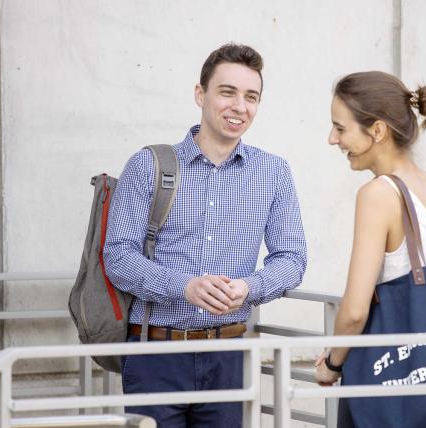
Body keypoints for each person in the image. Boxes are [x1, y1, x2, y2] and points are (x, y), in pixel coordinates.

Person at [104, 43, 308, 427]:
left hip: (230, 354)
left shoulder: (274, 173)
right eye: (227, 92)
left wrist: (251, 287)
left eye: (251, 97)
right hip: (155, 354)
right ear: (201, 94)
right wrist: (183, 286)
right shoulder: (148, 165)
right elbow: (117, 255)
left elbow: (292, 257)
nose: (239, 107)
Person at [313, 71, 426, 423]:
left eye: (340, 128)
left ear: (377, 131)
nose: (332, 139)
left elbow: (356, 310)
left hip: (386, 384)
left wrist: (332, 364)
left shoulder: (378, 194)